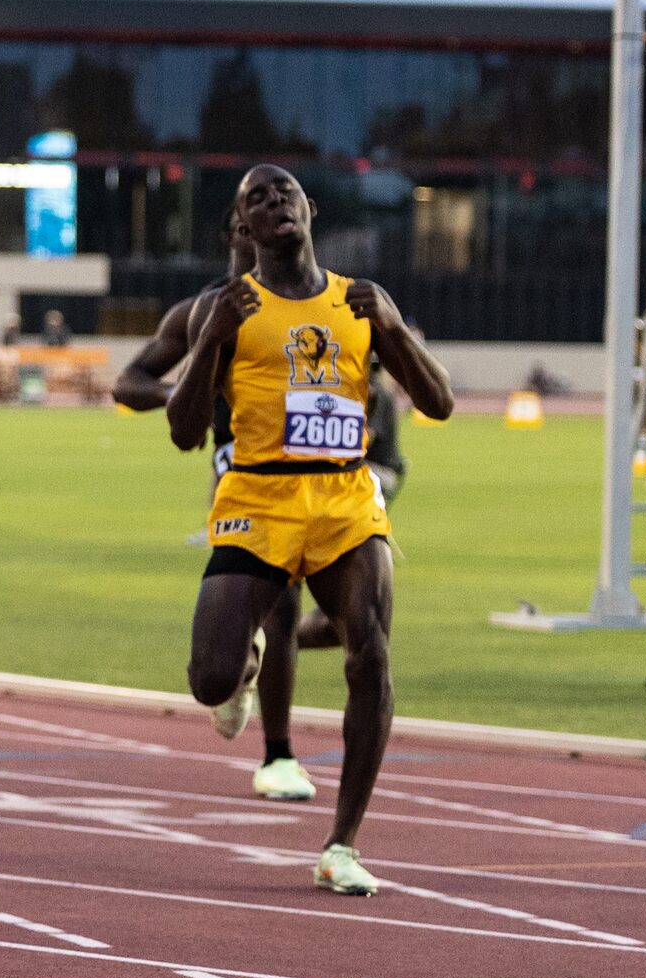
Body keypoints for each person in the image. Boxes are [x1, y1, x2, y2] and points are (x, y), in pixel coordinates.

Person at [165, 164, 452, 897]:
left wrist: (391, 327)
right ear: (244, 228)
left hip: (344, 495)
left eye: (284, 192)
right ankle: (252, 661)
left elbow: (440, 402)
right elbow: (182, 430)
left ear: (309, 209)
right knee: (210, 679)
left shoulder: (361, 301)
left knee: (372, 654)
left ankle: (342, 844)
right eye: (256, 198)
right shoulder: (228, 306)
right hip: (258, 496)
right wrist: (211, 344)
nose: (274, 203)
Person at [112, 212, 318, 800]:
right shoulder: (201, 309)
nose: (266, 226)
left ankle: (277, 753)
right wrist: (188, 393)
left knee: (288, 605)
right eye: (252, 216)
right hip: (238, 468)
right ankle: (240, 667)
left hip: (302, 469)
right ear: (233, 231)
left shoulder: (306, 301)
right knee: (272, 606)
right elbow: (128, 382)